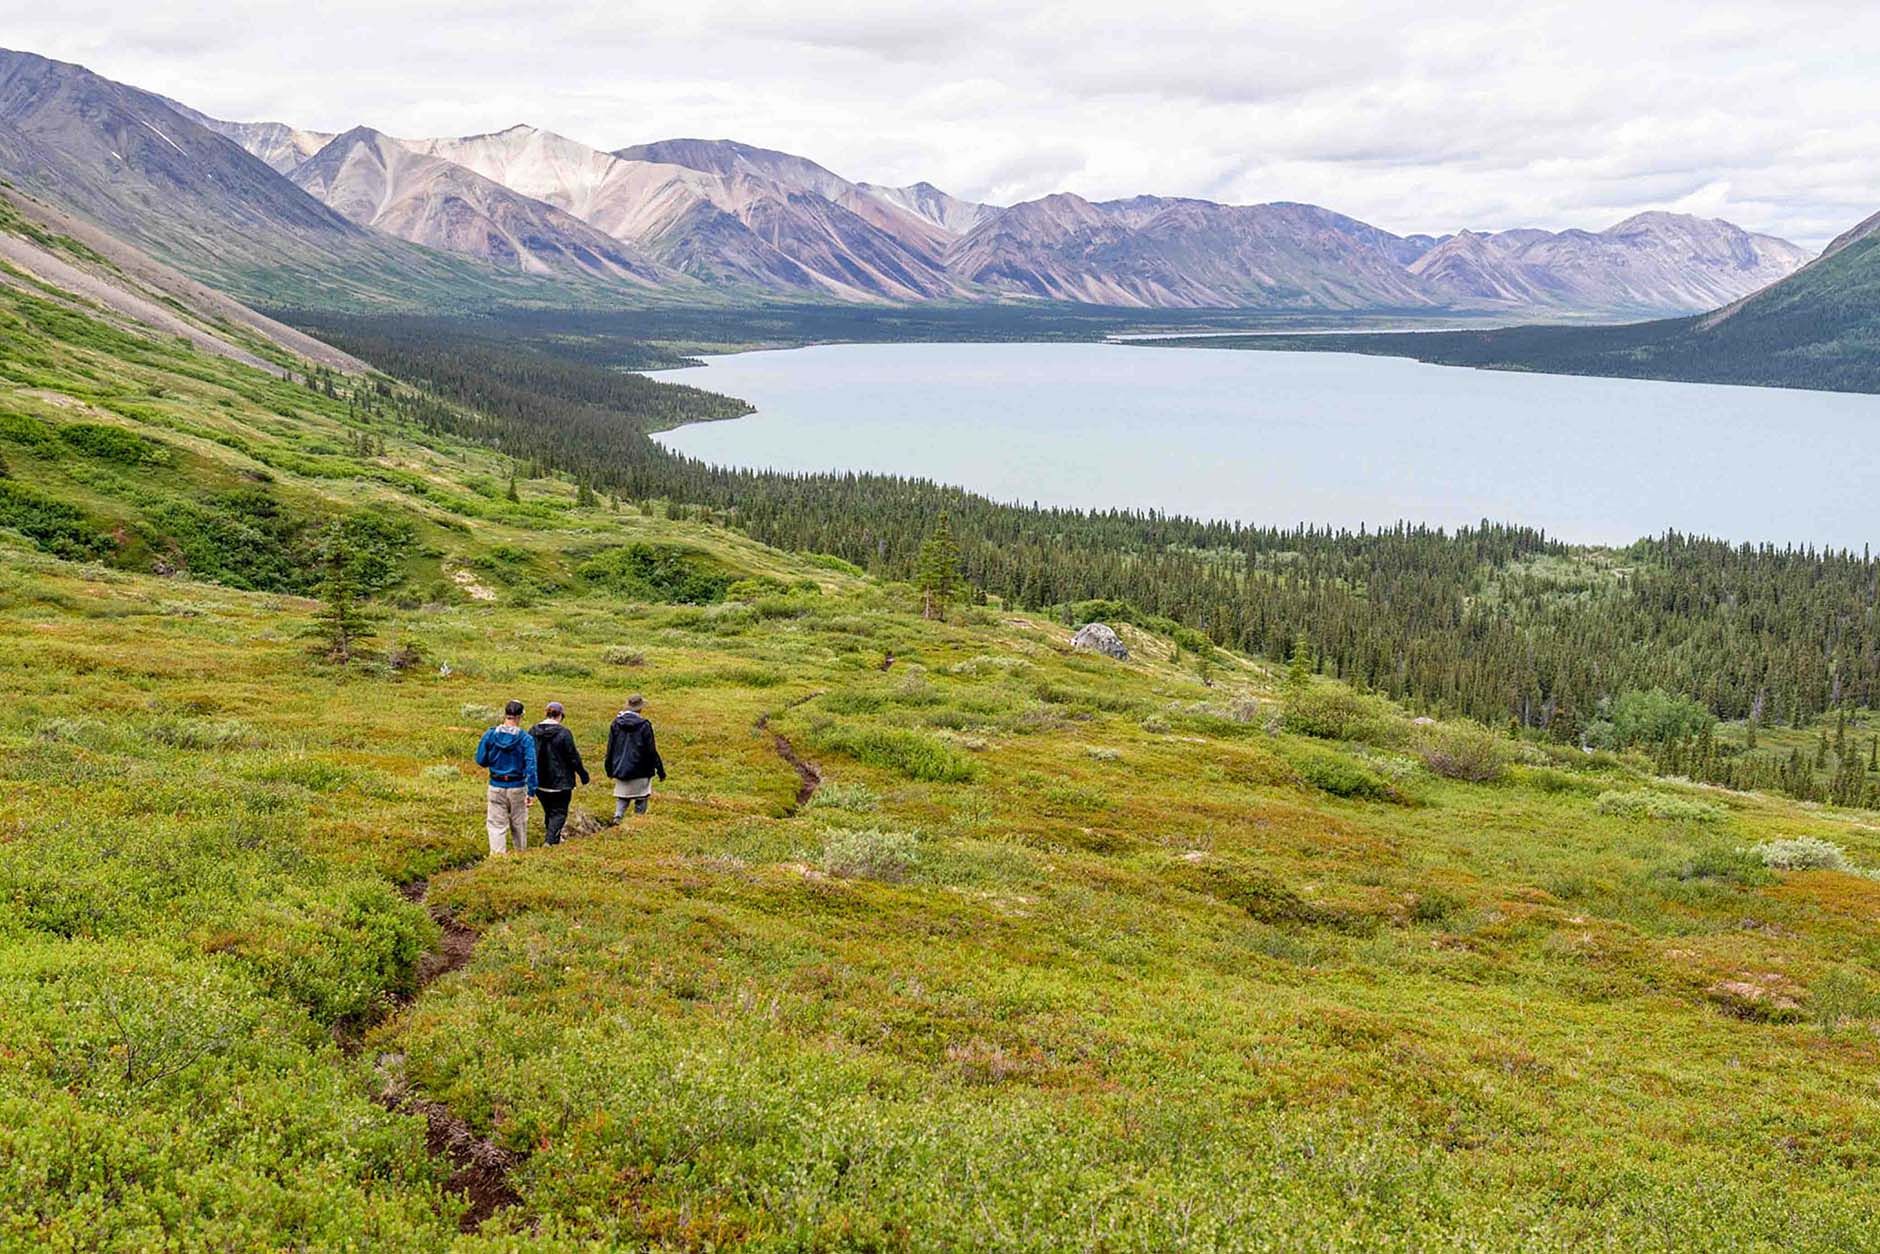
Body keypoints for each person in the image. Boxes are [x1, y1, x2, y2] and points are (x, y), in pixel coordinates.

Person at [474, 699, 536, 855]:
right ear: (520, 716)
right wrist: (531, 791)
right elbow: (531, 767)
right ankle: (520, 856)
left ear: (505, 714)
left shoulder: (490, 735)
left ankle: (497, 859)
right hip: (517, 786)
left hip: (496, 785)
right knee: (519, 824)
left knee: (496, 826)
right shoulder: (525, 739)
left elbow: (481, 760)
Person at [529, 700, 589, 846]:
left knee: (549, 811)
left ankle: (552, 839)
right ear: (561, 715)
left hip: (539, 781)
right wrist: (583, 774)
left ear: (546, 713)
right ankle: (550, 842)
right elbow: (573, 757)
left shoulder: (532, 731)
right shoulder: (564, 733)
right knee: (559, 812)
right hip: (560, 782)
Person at [604, 694, 665, 822]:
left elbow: (610, 748)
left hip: (621, 767)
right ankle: (639, 820)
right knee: (641, 796)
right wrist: (659, 769)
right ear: (640, 708)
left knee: (622, 795)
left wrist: (609, 768)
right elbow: (651, 750)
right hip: (641, 768)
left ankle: (618, 816)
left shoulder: (616, 724)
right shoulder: (644, 725)